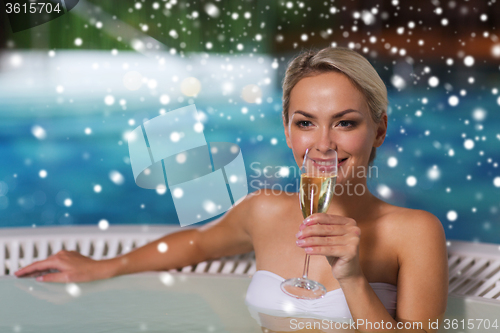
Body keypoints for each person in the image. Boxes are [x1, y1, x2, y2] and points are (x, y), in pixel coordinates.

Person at [16, 46, 448, 332]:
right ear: (286, 130)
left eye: (345, 122)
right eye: (305, 122)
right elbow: (196, 243)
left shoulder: (414, 232)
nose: (322, 143)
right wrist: (104, 267)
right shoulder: (263, 210)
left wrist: (351, 277)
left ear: (379, 130)